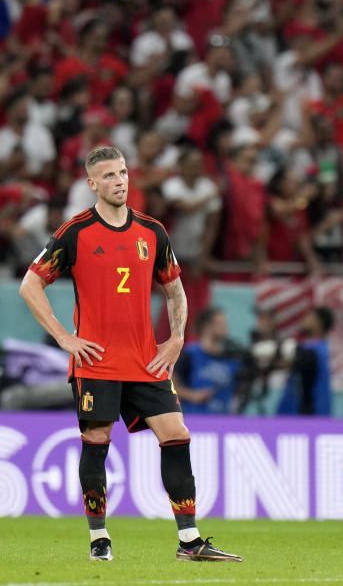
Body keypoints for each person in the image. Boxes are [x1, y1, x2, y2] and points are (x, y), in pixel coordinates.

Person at [18, 146, 241, 562]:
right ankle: (98, 537)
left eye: (122, 173)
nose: (119, 181)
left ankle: (189, 541)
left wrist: (175, 340)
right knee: (98, 441)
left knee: (176, 434)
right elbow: (30, 285)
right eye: (108, 176)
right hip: (96, 362)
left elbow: (175, 289)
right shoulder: (76, 232)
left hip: (146, 361)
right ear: (92, 184)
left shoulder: (152, 232)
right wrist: (65, 337)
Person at [173, 307, 243, 415]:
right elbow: (171, 384)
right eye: (220, 323)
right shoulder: (190, 354)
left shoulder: (233, 357)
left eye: (225, 323)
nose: (225, 327)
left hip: (225, 418)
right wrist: (192, 395)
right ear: (206, 327)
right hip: (195, 418)